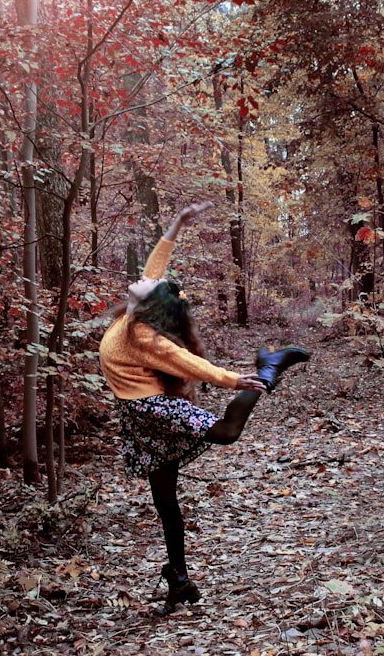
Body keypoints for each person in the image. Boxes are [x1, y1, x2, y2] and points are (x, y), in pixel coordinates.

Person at [99, 201, 310, 612]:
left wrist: (234, 379)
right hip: (137, 417)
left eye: (149, 283)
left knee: (227, 433)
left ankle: (268, 370)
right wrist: (177, 223)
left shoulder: (143, 337)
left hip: (152, 410)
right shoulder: (133, 314)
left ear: (151, 304)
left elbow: (188, 362)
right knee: (165, 501)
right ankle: (179, 579)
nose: (145, 278)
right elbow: (155, 268)